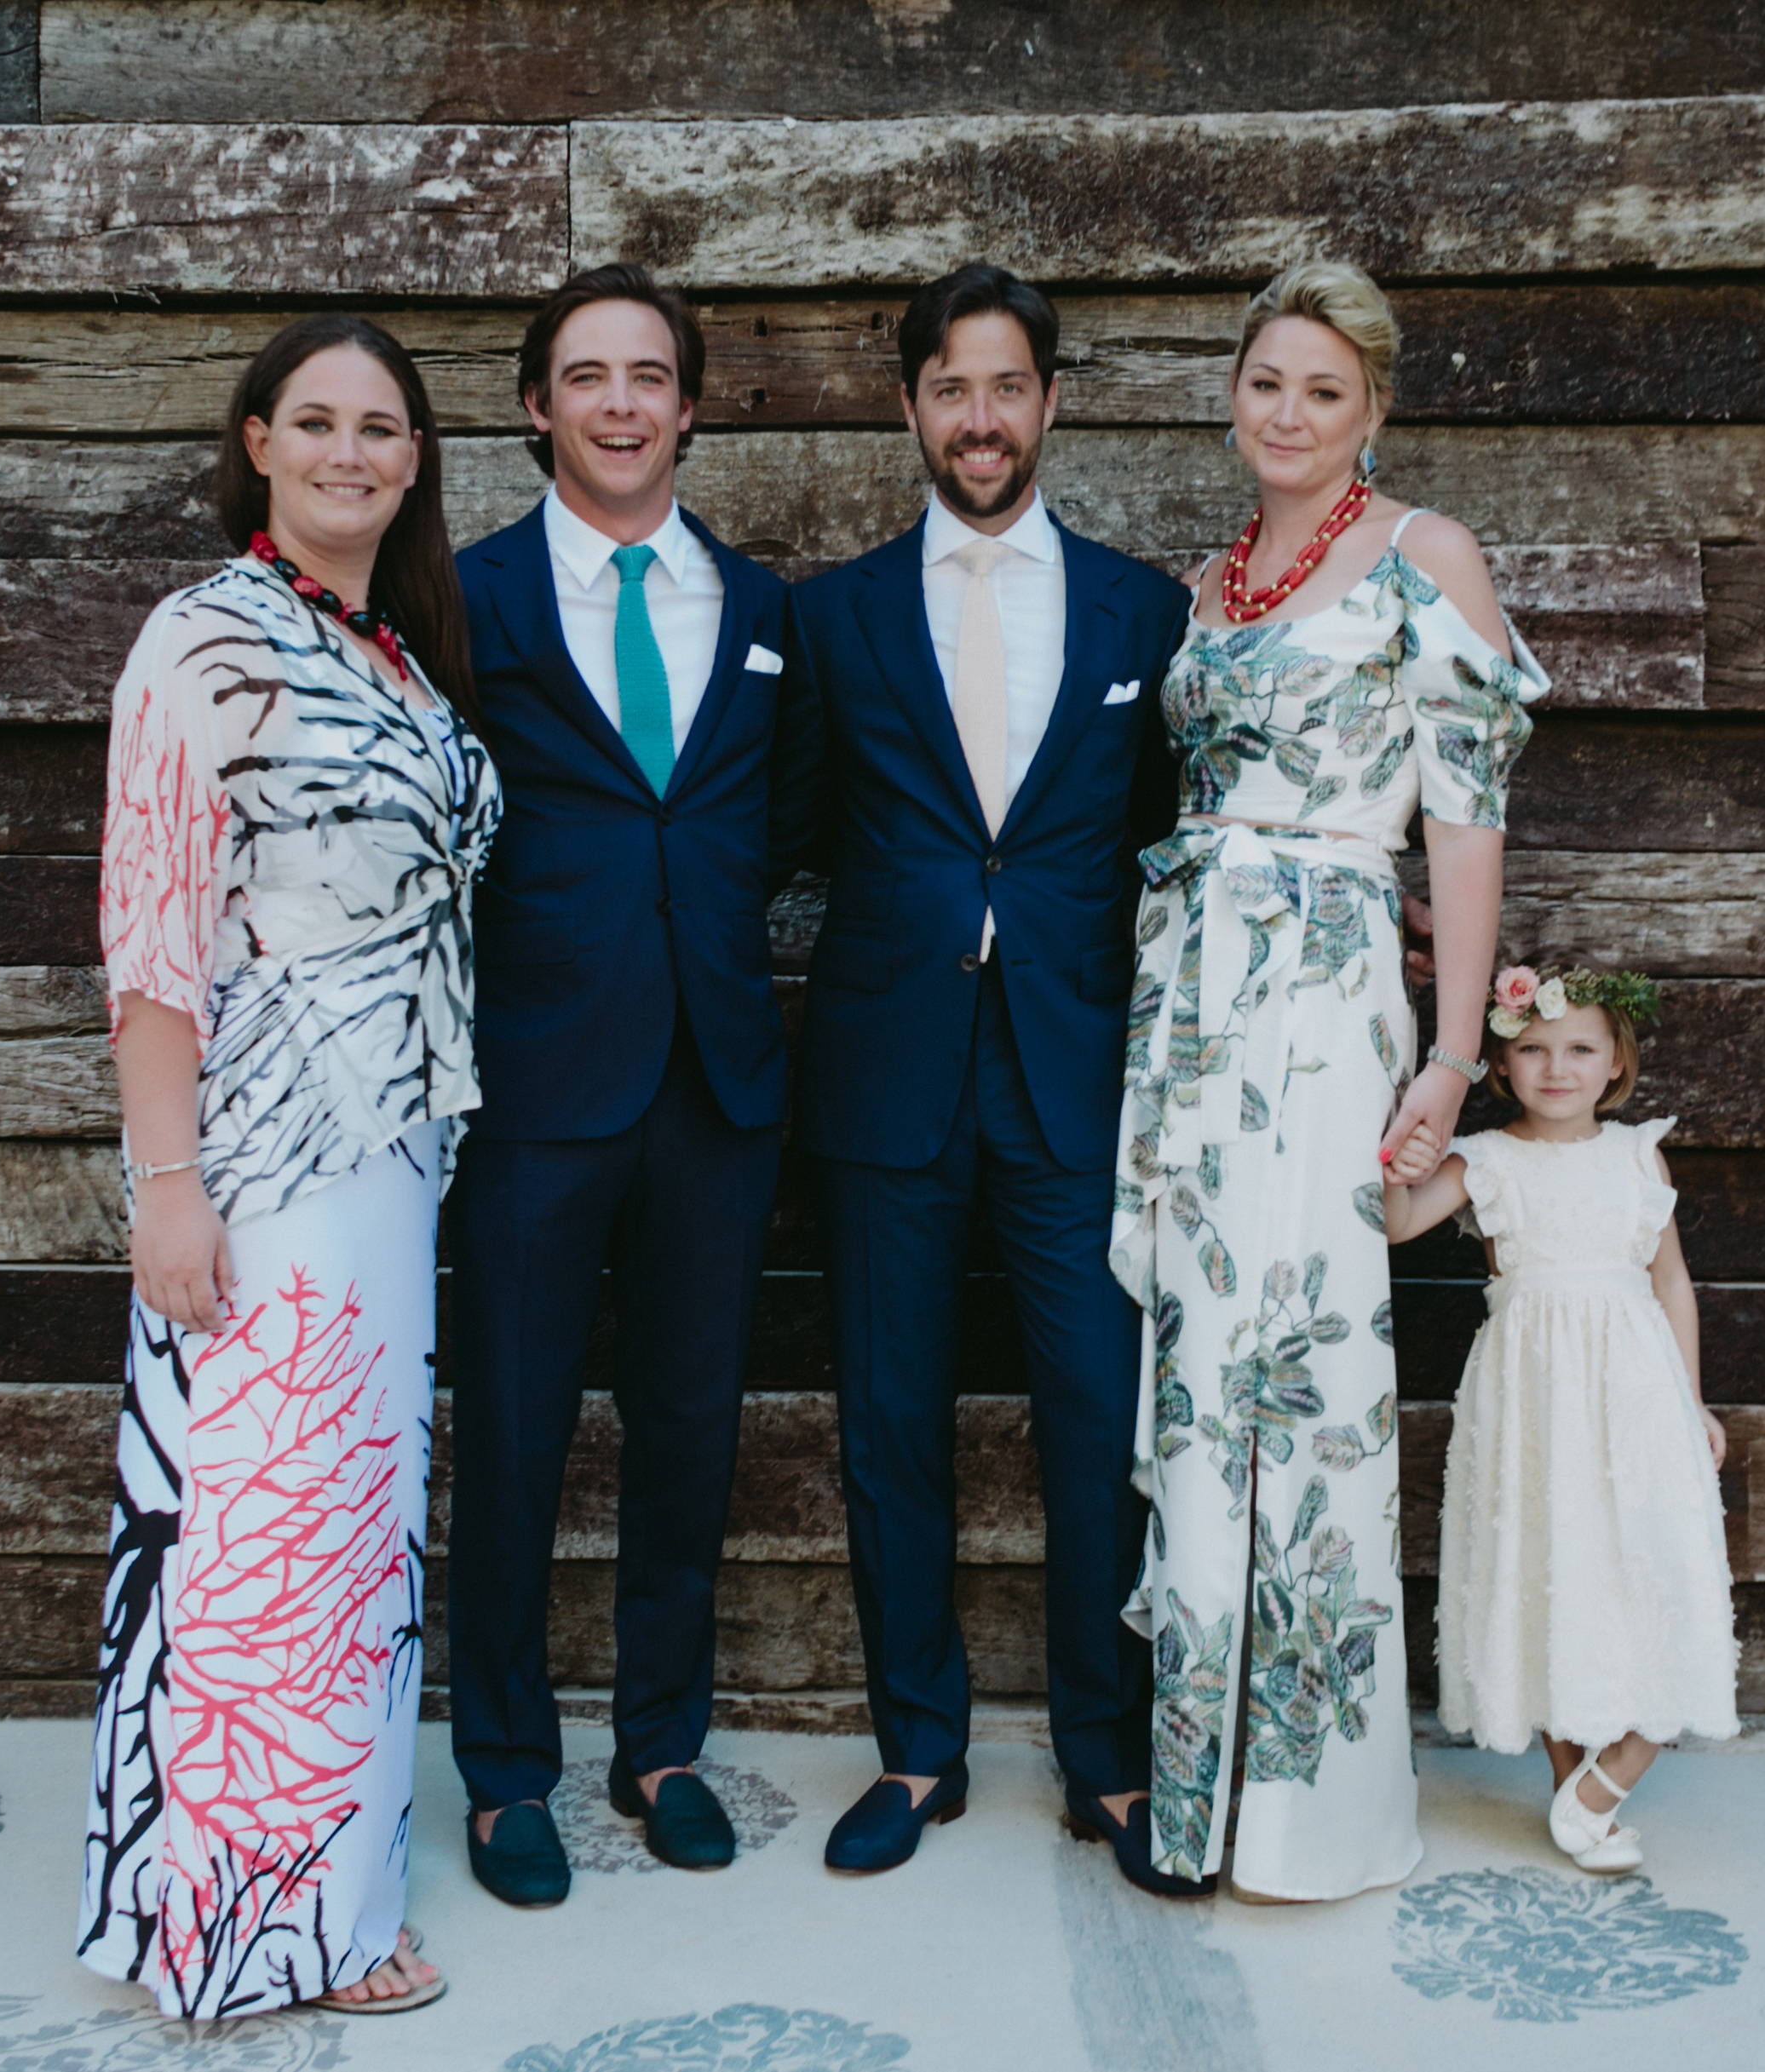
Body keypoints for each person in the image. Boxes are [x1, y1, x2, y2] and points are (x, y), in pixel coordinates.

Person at [1109, 259, 1549, 1902]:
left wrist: (1445, 1058)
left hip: (1318, 997)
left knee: (1293, 1377)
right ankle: (1192, 1791)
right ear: (1232, 395)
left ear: (1369, 409)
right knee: (1199, 1373)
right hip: (1193, 1006)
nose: (1282, 413)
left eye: (1319, 390)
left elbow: (1466, 813)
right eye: (1262, 382)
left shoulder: (1421, 557)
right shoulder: (1210, 583)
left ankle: (1305, 1806)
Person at [78, 315, 500, 2017]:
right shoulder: (203, 639)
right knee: (266, 1532)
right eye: (314, 420)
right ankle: (250, 1934)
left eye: (379, 427)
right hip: (262, 1158)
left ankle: (323, 1897)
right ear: (256, 440)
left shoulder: (398, 651)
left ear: (413, 459)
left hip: (390, 1157)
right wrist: (163, 1184)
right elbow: (150, 940)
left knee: (348, 1529)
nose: (349, 450)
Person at [793, 263, 1199, 1894]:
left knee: (1096, 1415)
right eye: (950, 388)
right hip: (886, 1075)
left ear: (1048, 400)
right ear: (911, 406)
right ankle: (917, 1745)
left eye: (1007, 385)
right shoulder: (828, 616)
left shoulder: (1138, 611)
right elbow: (793, 832)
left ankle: (1104, 1757)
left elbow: (1165, 833)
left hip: (1073, 1074)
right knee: (888, 1418)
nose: (979, 416)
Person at [448, 264, 824, 1904]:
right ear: (537, 405)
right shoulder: (461, 602)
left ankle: (660, 1742)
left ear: (687, 404)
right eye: (584, 376)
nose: (617, 404)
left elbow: (782, 824)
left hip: (714, 1084)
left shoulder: (760, 614)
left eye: (646, 376)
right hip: (532, 1083)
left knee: (687, 1427)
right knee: (516, 1432)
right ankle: (505, 1769)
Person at [1384, 964, 1739, 1871]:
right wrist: (1401, 1165)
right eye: (1533, 1049)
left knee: (1648, 1565)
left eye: (1580, 1049)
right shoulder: (1489, 1158)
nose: (1556, 1068)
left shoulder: (1635, 1154)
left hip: (1634, 1393)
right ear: (1501, 1063)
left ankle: (1609, 1777)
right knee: (1548, 1559)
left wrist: (1691, 1397)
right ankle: (1570, 1790)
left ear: (1615, 1063)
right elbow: (1399, 1223)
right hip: (1533, 1395)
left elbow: (1670, 1280)